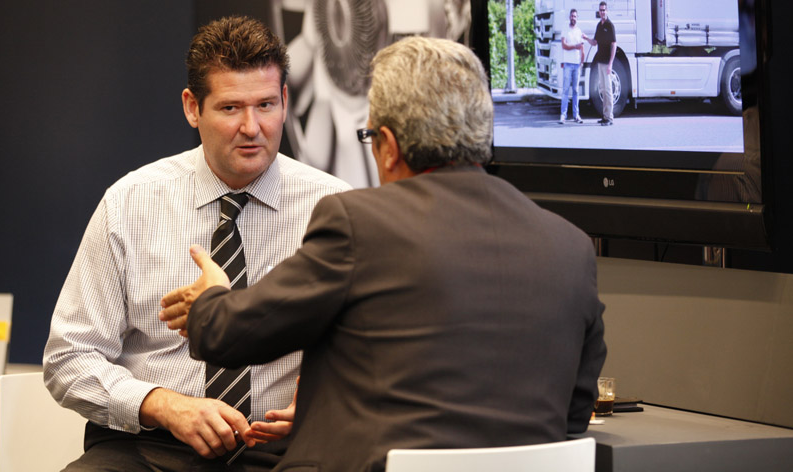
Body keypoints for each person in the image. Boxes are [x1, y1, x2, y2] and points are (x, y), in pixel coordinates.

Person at [161, 36, 608, 472]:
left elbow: (230, 335)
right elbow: (574, 413)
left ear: (389, 146)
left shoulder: (360, 223)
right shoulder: (570, 246)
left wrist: (211, 297)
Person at [43, 15, 351, 472]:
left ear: (285, 101)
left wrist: (322, 394)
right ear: (192, 108)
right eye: (230, 108)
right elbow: (68, 357)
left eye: (266, 105)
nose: (252, 127)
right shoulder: (130, 202)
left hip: (284, 452)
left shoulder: (336, 208)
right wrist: (163, 405)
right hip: (151, 447)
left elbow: (372, 350)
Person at [585, 1, 617, 125]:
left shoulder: (610, 25)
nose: (602, 12)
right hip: (600, 62)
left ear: (607, 11)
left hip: (607, 63)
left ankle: (610, 118)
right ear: (599, 12)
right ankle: (605, 116)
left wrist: (610, 64)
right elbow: (595, 43)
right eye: (601, 10)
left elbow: (614, 45)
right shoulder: (599, 25)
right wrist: (586, 38)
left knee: (608, 90)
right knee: (603, 89)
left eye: (604, 10)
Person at [560, 8, 584, 124]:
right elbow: (563, 45)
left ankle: (576, 115)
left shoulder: (579, 31)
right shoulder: (565, 29)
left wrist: (582, 62)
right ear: (569, 17)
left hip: (576, 64)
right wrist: (575, 46)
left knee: (576, 90)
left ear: (577, 18)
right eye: (572, 16)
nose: (573, 18)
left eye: (575, 16)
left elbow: (582, 48)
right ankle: (563, 115)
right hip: (568, 64)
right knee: (565, 90)